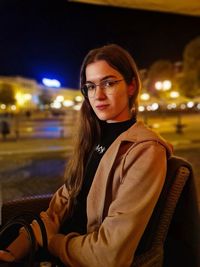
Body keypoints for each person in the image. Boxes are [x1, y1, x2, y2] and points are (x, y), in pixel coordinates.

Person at [0, 44, 172, 266]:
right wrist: (18, 247)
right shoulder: (93, 137)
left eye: (108, 83)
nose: (98, 95)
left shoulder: (145, 150)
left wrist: (52, 241)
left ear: (131, 86)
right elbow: (65, 199)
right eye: (90, 86)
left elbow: (110, 255)